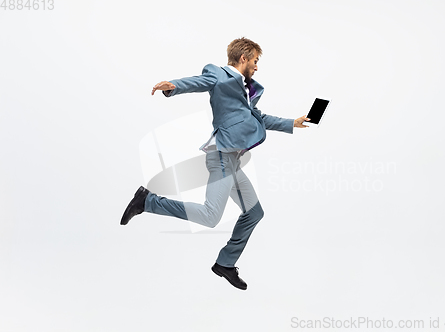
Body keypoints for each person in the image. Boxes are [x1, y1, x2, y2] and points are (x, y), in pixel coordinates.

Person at [120, 37, 310, 290]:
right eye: (254, 61)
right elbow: (200, 82)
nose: (256, 66)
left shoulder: (246, 88)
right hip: (221, 156)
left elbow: (258, 117)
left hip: (233, 160)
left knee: (254, 213)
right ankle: (148, 201)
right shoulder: (219, 75)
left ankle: (225, 264)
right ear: (243, 58)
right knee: (211, 216)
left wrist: (291, 123)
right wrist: (173, 86)